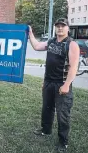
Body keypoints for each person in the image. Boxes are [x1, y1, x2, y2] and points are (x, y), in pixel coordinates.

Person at [28, 18, 80, 152]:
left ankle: (63, 142)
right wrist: (30, 33)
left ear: (68, 28)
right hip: (48, 82)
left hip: (61, 83)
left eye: (63, 26)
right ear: (55, 28)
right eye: (58, 26)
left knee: (63, 114)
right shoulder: (51, 41)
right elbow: (37, 46)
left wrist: (67, 84)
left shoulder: (71, 44)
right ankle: (46, 130)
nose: (60, 28)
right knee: (47, 108)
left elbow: (74, 67)